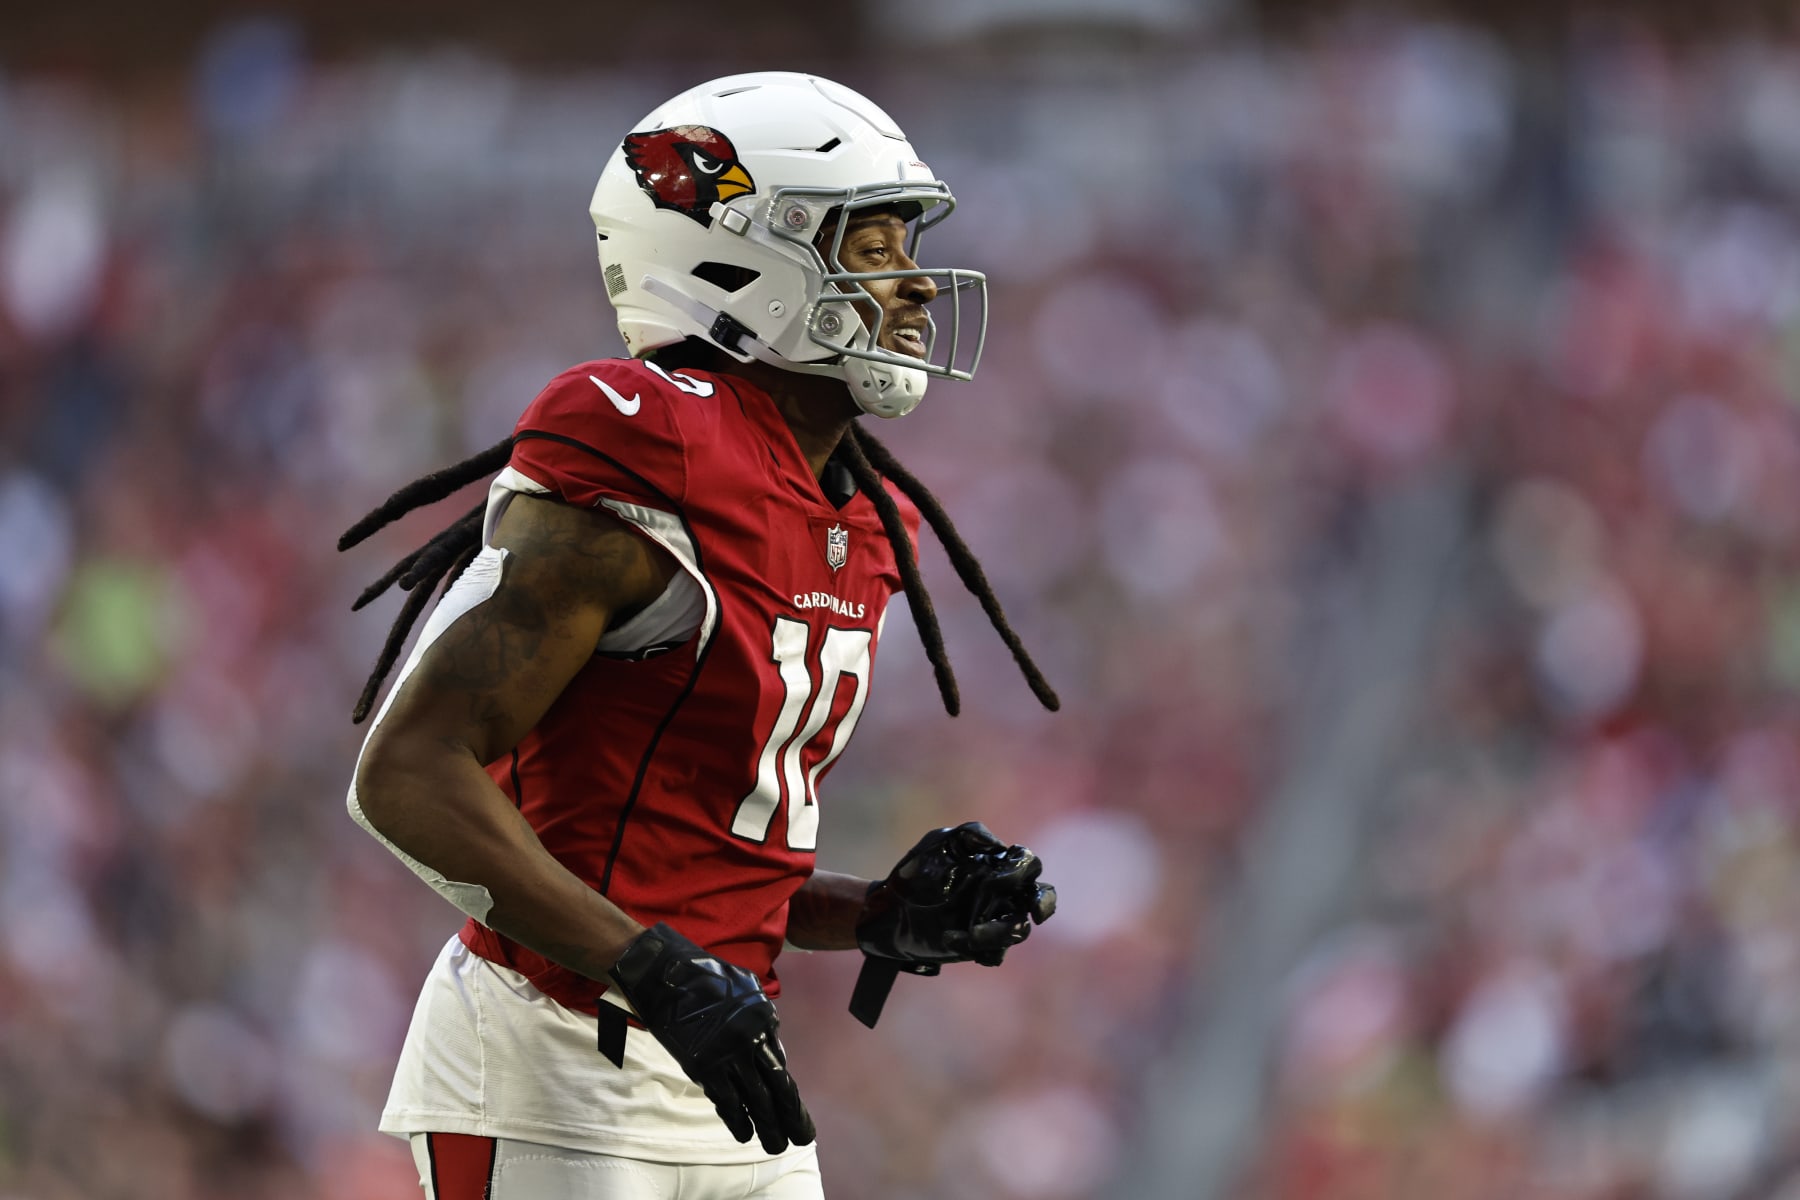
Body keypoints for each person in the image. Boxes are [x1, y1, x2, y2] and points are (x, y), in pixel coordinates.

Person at [341, 71, 1060, 1199]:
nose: (916, 282)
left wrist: (877, 914)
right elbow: (408, 773)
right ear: (741, 258)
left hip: (726, 1068)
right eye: (871, 244)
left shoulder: (861, 514)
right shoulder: (648, 446)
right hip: (554, 1058)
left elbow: (699, 869)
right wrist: (648, 968)